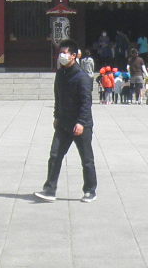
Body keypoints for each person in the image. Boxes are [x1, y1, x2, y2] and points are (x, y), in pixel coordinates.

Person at [35, 39, 97, 202]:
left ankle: (90, 190)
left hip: (80, 124)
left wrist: (82, 122)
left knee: (86, 159)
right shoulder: (61, 74)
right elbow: (58, 96)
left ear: (74, 56)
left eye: (65, 53)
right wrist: (56, 115)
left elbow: (86, 102)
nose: (62, 55)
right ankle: (49, 189)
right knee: (55, 155)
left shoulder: (82, 77)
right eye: (60, 52)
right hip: (63, 123)